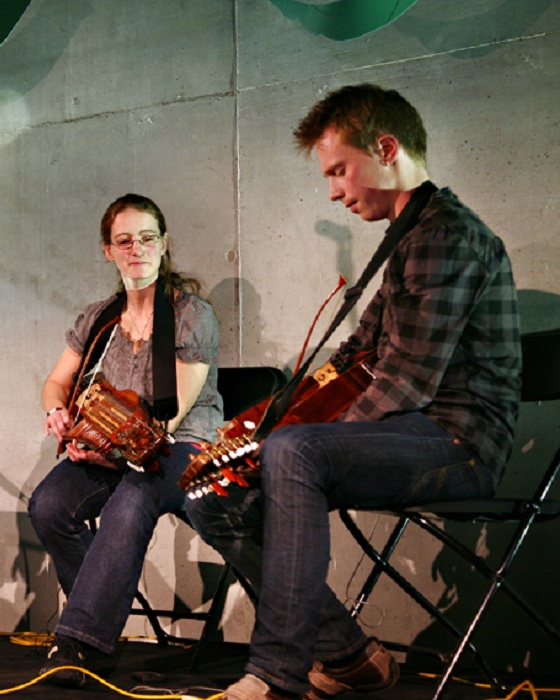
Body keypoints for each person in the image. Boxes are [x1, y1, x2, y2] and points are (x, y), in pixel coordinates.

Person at [185, 84, 522, 700]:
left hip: (459, 440)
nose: (335, 191)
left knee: (295, 455)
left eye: (339, 170)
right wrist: (258, 429)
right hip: (409, 430)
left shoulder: (446, 235)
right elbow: (350, 361)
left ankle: (275, 675)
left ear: (386, 149)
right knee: (212, 497)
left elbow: (405, 382)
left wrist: (287, 444)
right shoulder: (407, 238)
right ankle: (347, 655)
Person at [29, 193, 223, 687]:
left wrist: (107, 451)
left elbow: (170, 418)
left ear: (163, 244)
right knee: (50, 504)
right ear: (107, 251)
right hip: (111, 447)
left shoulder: (190, 313)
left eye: (147, 238)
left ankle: (82, 641)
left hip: (181, 448)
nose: (137, 248)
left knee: (132, 499)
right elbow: (56, 382)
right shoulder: (98, 318)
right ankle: (101, 617)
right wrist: (59, 414)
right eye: (124, 240)